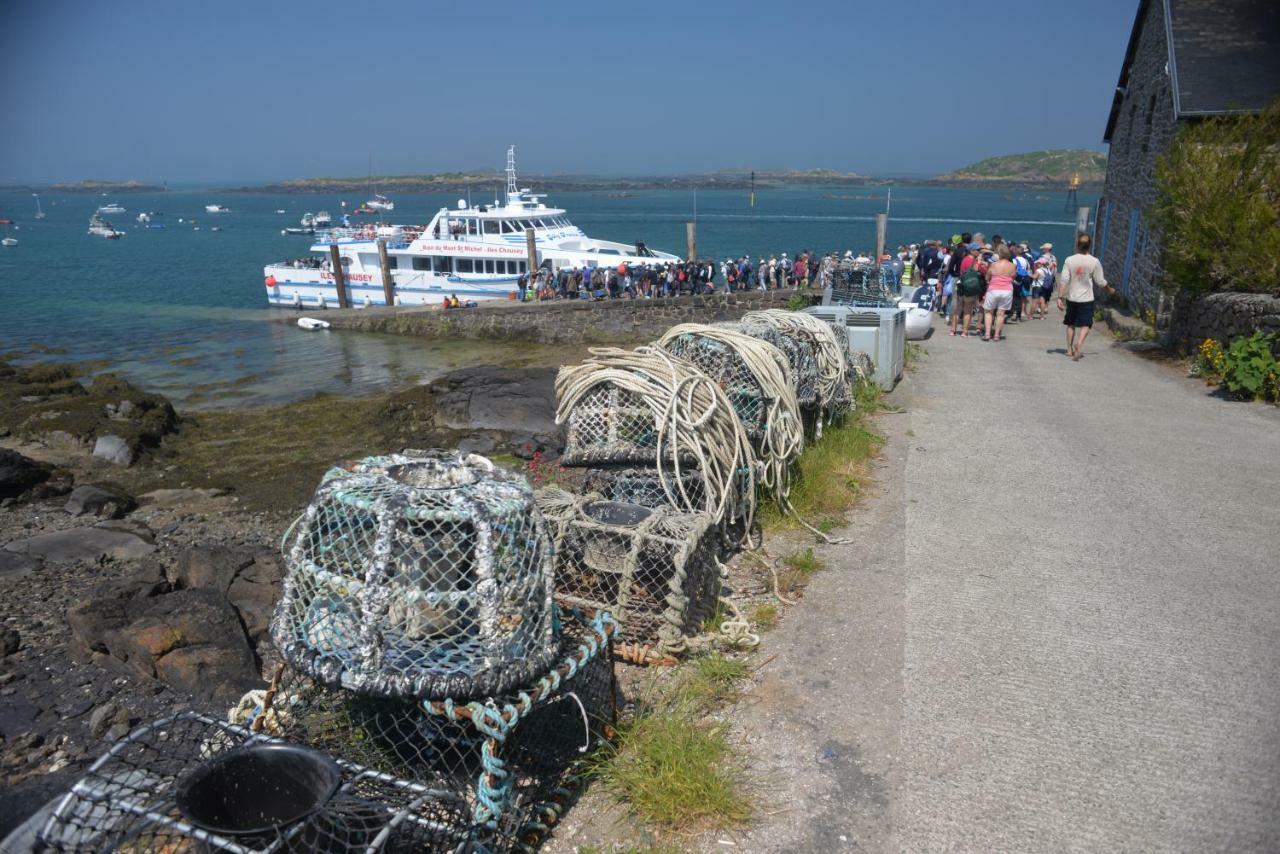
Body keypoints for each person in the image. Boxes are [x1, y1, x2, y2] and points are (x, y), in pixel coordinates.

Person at [1056, 233, 1114, 360]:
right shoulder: (1094, 261)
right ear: (1089, 246)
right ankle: (1079, 343)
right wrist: (1109, 289)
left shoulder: (1069, 260)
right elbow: (1100, 281)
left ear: (1077, 245)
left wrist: (1060, 297)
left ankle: (1069, 350)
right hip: (1086, 298)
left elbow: (1064, 280)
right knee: (1086, 324)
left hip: (1072, 297)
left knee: (1070, 323)